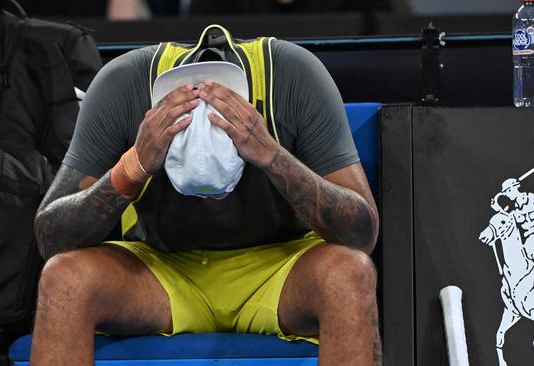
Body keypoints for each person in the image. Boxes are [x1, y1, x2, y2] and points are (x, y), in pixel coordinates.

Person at [31, 26, 380, 366]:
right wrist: (134, 165)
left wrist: (272, 157)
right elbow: (51, 238)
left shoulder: (292, 74)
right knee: (65, 277)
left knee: (350, 273)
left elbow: (361, 233)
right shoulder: (124, 82)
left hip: (279, 268)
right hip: (161, 270)